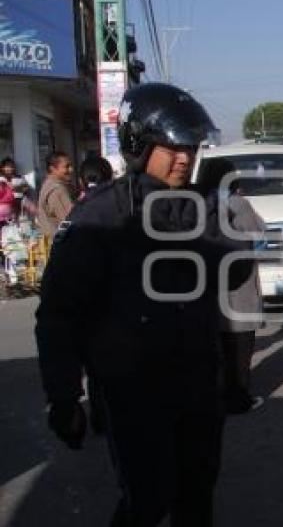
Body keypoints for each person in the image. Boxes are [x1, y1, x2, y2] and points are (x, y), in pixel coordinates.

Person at [35, 83, 249, 526]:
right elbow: (58, 315)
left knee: (197, 497)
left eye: (189, 145)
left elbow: (235, 273)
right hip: (133, 391)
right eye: (171, 145)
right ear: (138, 143)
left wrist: (223, 218)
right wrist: (64, 396)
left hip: (197, 384)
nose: (185, 156)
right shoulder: (98, 217)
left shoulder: (198, 206)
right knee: (148, 499)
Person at [197, 156, 265, 413]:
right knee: (240, 348)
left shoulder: (197, 203)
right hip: (240, 282)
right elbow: (260, 233)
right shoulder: (237, 203)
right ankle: (238, 399)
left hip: (209, 286)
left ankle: (217, 394)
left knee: (218, 349)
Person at [36, 150, 75, 243]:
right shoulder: (57, 190)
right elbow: (69, 219)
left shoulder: (49, 184)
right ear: (53, 168)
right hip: (61, 244)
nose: (71, 169)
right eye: (66, 167)